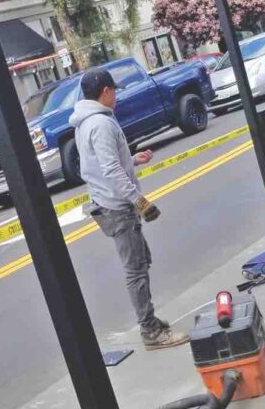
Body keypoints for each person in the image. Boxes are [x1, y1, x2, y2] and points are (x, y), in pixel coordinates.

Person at [70, 68, 188, 350]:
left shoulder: (86, 122)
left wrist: (132, 159)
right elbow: (109, 169)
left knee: (141, 260)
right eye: (115, 90)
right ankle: (150, 332)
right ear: (105, 92)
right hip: (117, 207)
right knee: (135, 269)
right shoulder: (100, 124)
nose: (118, 96)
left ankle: (150, 320)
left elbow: (102, 164)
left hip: (109, 202)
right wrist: (140, 201)